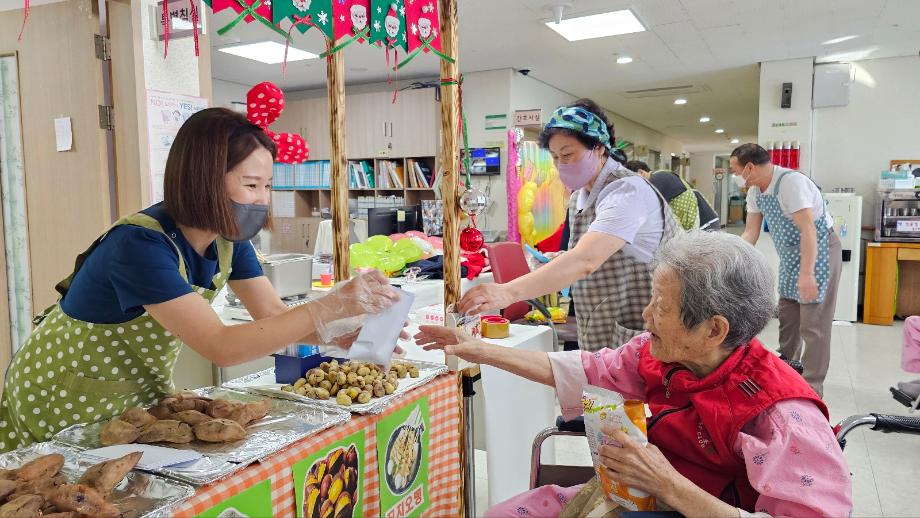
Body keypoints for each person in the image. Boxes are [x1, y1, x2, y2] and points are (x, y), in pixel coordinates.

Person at [0, 108, 401, 451]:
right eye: (250, 185)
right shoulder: (139, 245)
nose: (262, 199)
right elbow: (221, 346)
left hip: (137, 390)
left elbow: (272, 313)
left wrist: (340, 333)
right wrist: (329, 305)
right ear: (205, 178)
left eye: (267, 186)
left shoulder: (227, 238)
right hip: (66, 391)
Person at [416, 231, 852, 517]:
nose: (646, 319)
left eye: (661, 308)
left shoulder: (779, 416)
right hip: (640, 499)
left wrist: (669, 485)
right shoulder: (658, 354)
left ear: (714, 329)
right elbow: (580, 369)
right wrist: (479, 350)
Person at [459, 99, 680, 351]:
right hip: (601, 322)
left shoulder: (627, 191)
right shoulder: (579, 196)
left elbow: (586, 260)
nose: (560, 165)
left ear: (598, 147)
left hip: (641, 324)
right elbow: (588, 252)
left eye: (567, 154)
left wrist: (507, 292)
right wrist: (559, 258)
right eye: (554, 157)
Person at [733, 143, 842, 397]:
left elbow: (809, 230)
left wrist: (807, 274)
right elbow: (751, 232)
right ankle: (786, 373)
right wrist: (731, 256)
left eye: (735, 170)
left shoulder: (791, 183)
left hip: (819, 251)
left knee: (813, 324)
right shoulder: (755, 192)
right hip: (791, 255)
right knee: (788, 317)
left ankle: (812, 387)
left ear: (749, 167)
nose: (735, 175)